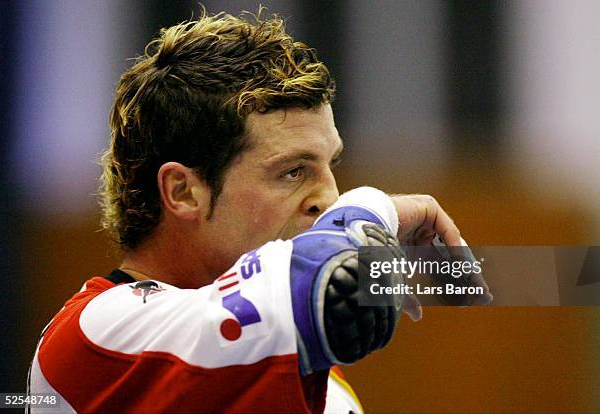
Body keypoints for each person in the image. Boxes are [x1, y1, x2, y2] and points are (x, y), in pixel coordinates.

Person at [28, 10, 491, 414]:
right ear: (183, 191)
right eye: (292, 172)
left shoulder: (322, 384)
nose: (328, 199)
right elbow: (331, 285)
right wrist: (372, 207)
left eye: (329, 166)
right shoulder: (98, 337)